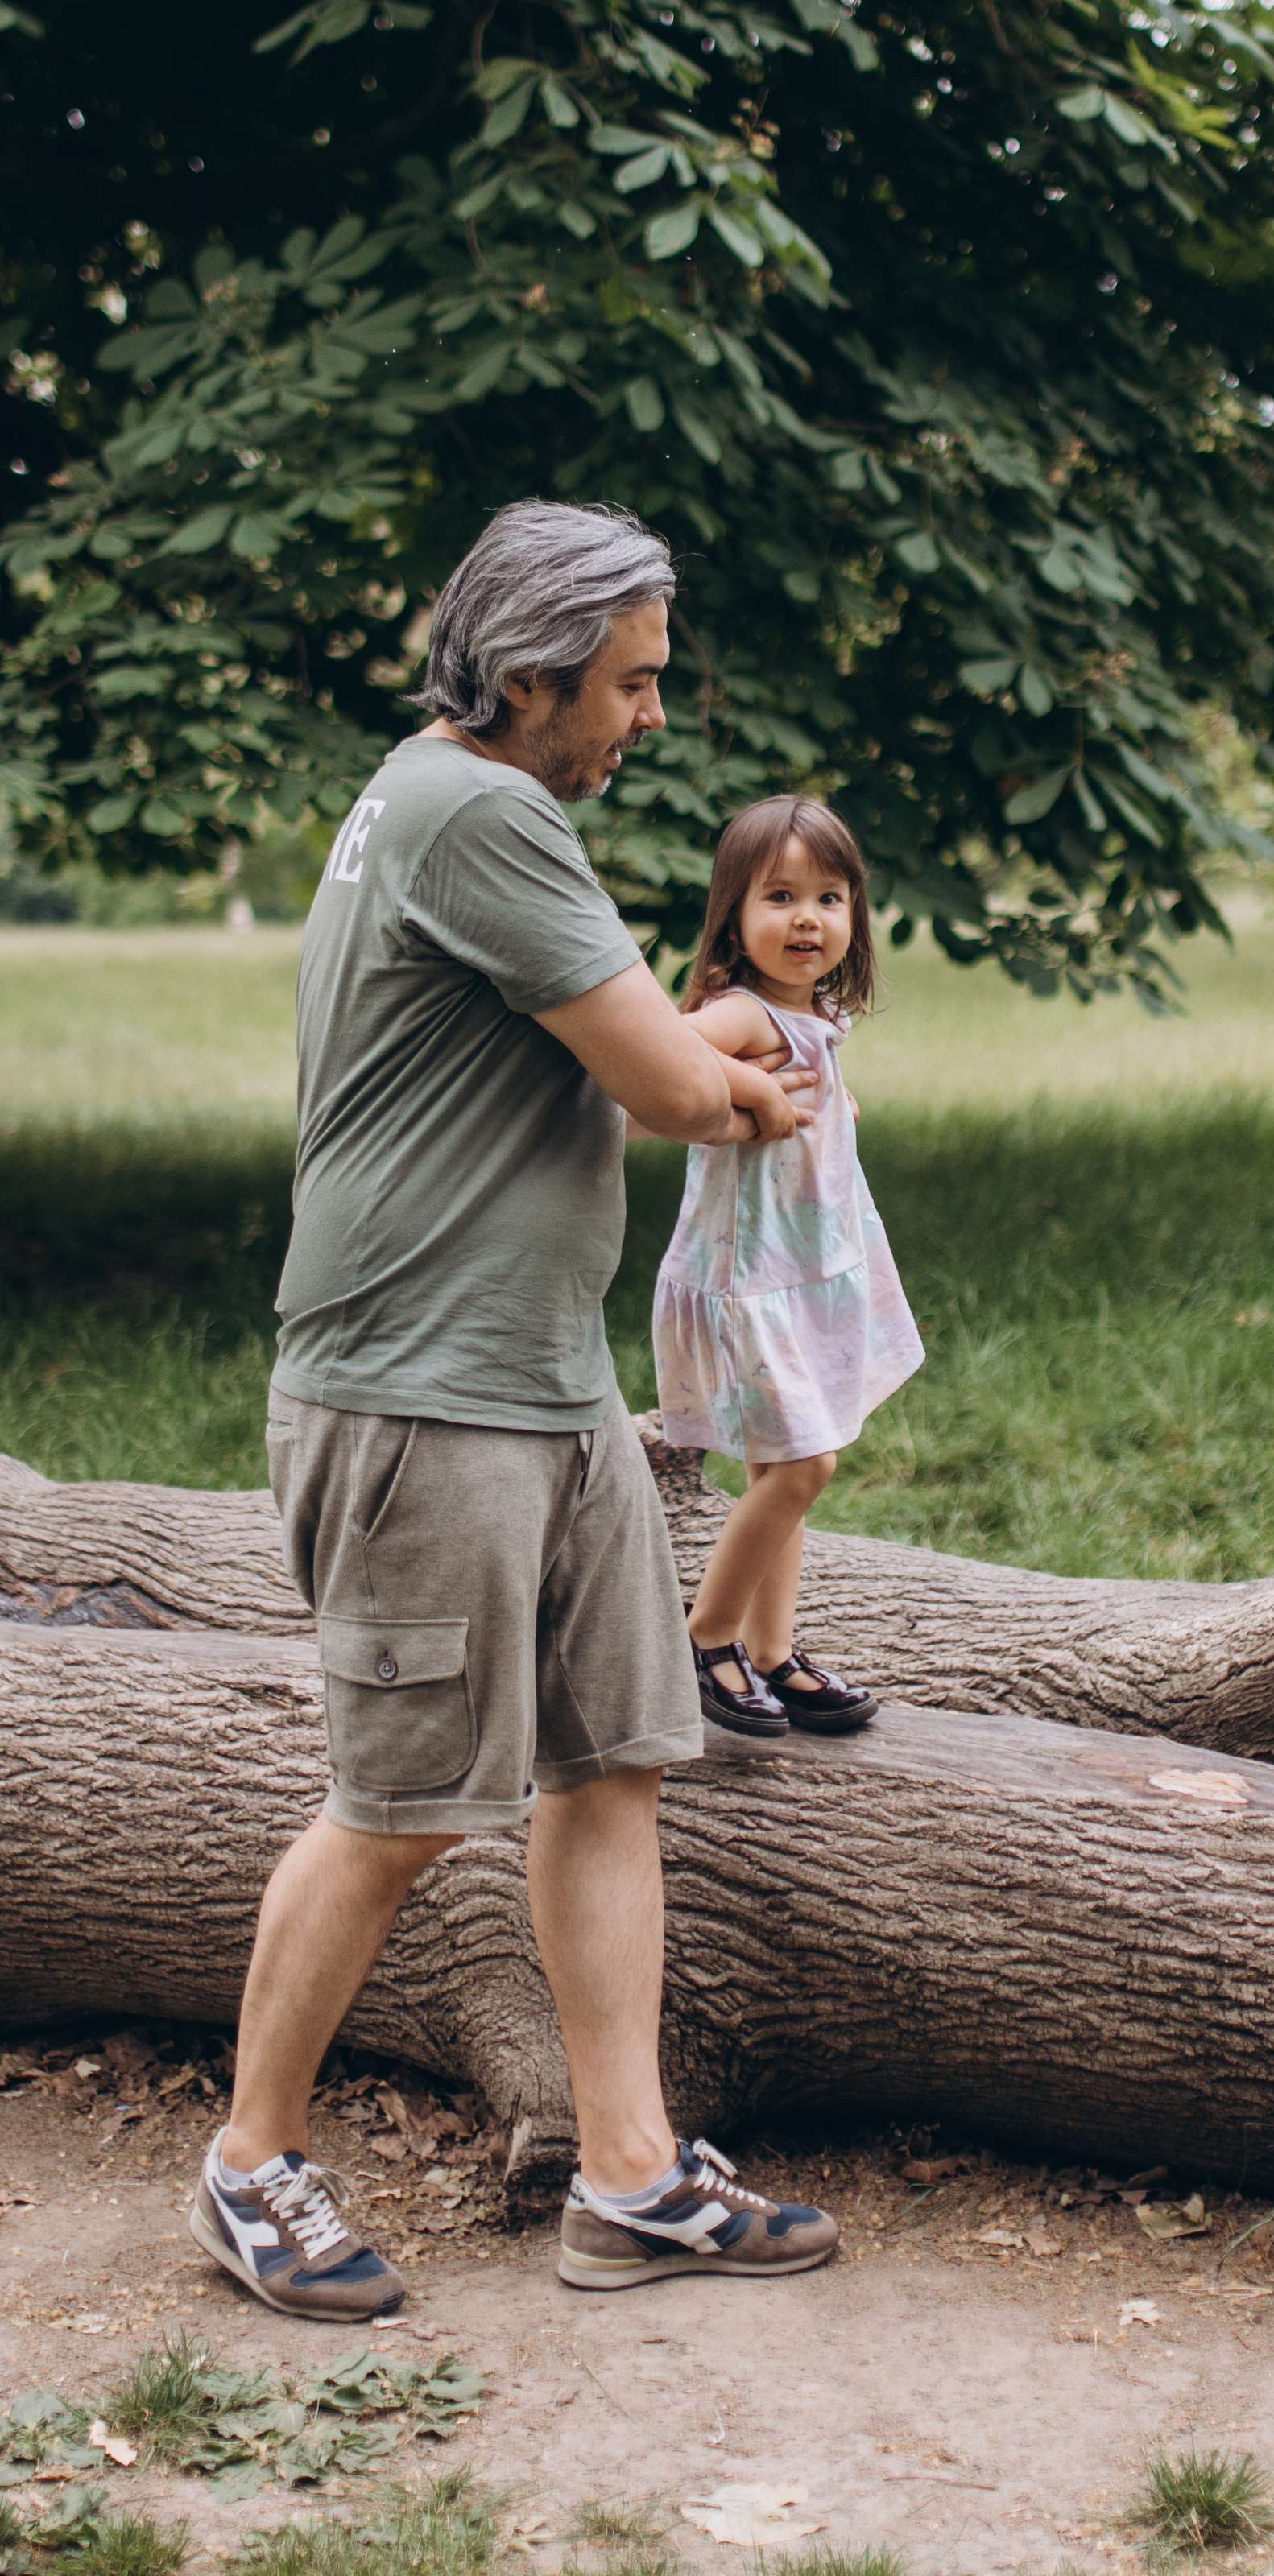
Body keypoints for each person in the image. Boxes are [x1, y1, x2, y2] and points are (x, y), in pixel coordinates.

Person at [192, 500, 842, 2324]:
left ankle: (627, 2179)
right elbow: (662, 1084)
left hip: (544, 1386)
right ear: (533, 674)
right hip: (416, 1392)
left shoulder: (447, 800)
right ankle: (248, 2165)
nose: (648, 717)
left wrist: (711, 1039)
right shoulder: (480, 810)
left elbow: (619, 1033)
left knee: (610, 1763)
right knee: (399, 1807)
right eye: (629, 683)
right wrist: (755, 1084)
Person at [652, 797, 924, 1736]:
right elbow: (658, 1057)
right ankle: (708, 1634)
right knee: (806, 1464)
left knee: (785, 1460)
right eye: (779, 896)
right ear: (733, 913)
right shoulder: (740, 1014)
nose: (807, 918)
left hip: (810, 1273)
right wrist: (753, 1086)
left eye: (829, 897)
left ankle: (773, 1652)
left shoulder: (818, 1017)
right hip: (751, 1284)